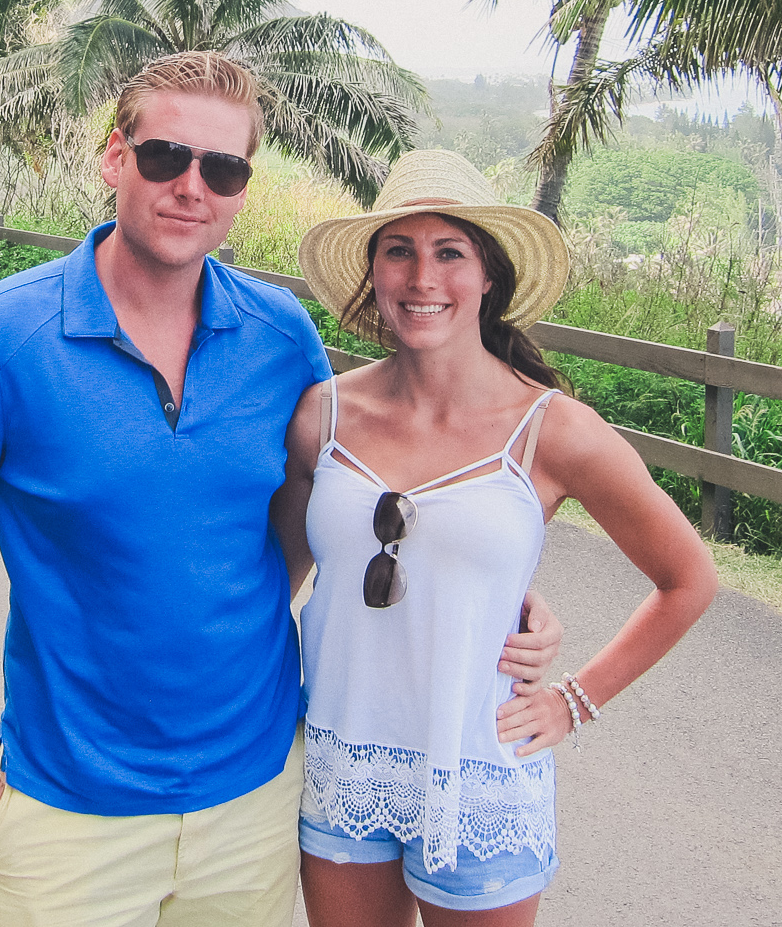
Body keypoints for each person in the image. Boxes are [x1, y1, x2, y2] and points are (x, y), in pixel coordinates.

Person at [0, 54, 566, 927]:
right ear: (114, 156)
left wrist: (501, 593)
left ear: (243, 186)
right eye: (166, 156)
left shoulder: (281, 340)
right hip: (65, 817)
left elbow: (348, 509)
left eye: (223, 167)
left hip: (257, 801)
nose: (191, 185)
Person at [275, 149, 718, 925]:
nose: (423, 278)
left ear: (488, 277)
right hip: (343, 762)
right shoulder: (322, 416)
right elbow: (275, 578)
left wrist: (576, 698)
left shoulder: (553, 429)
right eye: (399, 251)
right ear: (373, 271)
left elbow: (688, 578)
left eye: (451, 252)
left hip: (479, 775)